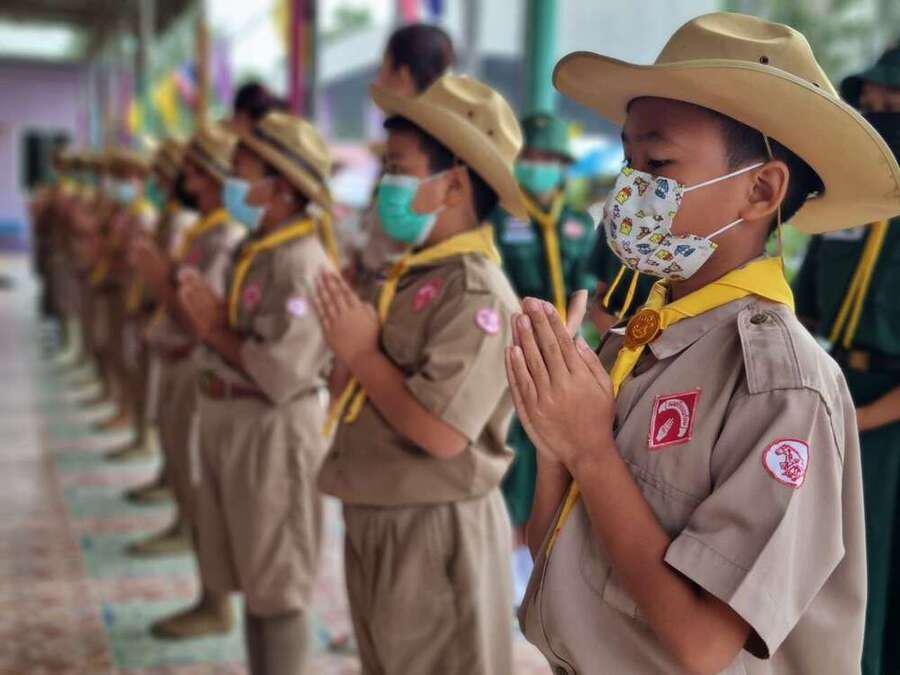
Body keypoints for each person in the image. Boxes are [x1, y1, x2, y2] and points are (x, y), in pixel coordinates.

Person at [510, 12, 900, 674]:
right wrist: (557, 438)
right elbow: (557, 554)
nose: (630, 188)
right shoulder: (645, 338)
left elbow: (702, 643)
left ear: (761, 189)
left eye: (658, 163)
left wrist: (590, 450)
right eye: (629, 161)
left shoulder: (782, 384)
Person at [316, 73, 522, 675]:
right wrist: (348, 346)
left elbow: (442, 433)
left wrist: (362, 354)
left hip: (434, 523)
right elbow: (350, 386)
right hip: (378, 506)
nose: (385, 185)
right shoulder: (408, 274)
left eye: (398, 169)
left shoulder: (475, 292)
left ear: (453, 184)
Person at [176, 111, 338, 672]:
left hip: (272, 432)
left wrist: (214, 328)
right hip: (236, 422)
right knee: (252, 576)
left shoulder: (300, 262)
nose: (232, 186)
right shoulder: (259, 247)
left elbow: (280, 372)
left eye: (243, 174)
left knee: (278, 584)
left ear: (283, 189)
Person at [793, 44, 900, 675]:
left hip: (886, 419)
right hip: (833, 395)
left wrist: (855, 423)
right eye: (871, 99)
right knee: (826, 561)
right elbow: (803, 315)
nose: (879, 108)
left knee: (880, 561)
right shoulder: (844, 209)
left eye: (895, 99)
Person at [490, 111, 597, 600]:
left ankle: (540, 570)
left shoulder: (577, 223)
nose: (538, 166)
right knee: (513, 455)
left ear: (562, 166)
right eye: (529, 157)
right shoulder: (499, 219)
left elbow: (584, 288)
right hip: (511, 351)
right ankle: (508, 573)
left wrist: (565, 335)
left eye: (548, 158)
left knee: (554, 455)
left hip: (563, 353)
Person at [355, 23, 456, 283]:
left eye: (383, 68)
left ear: (402, 74)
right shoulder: (449, 138)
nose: (378, 81)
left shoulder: (426, 148)